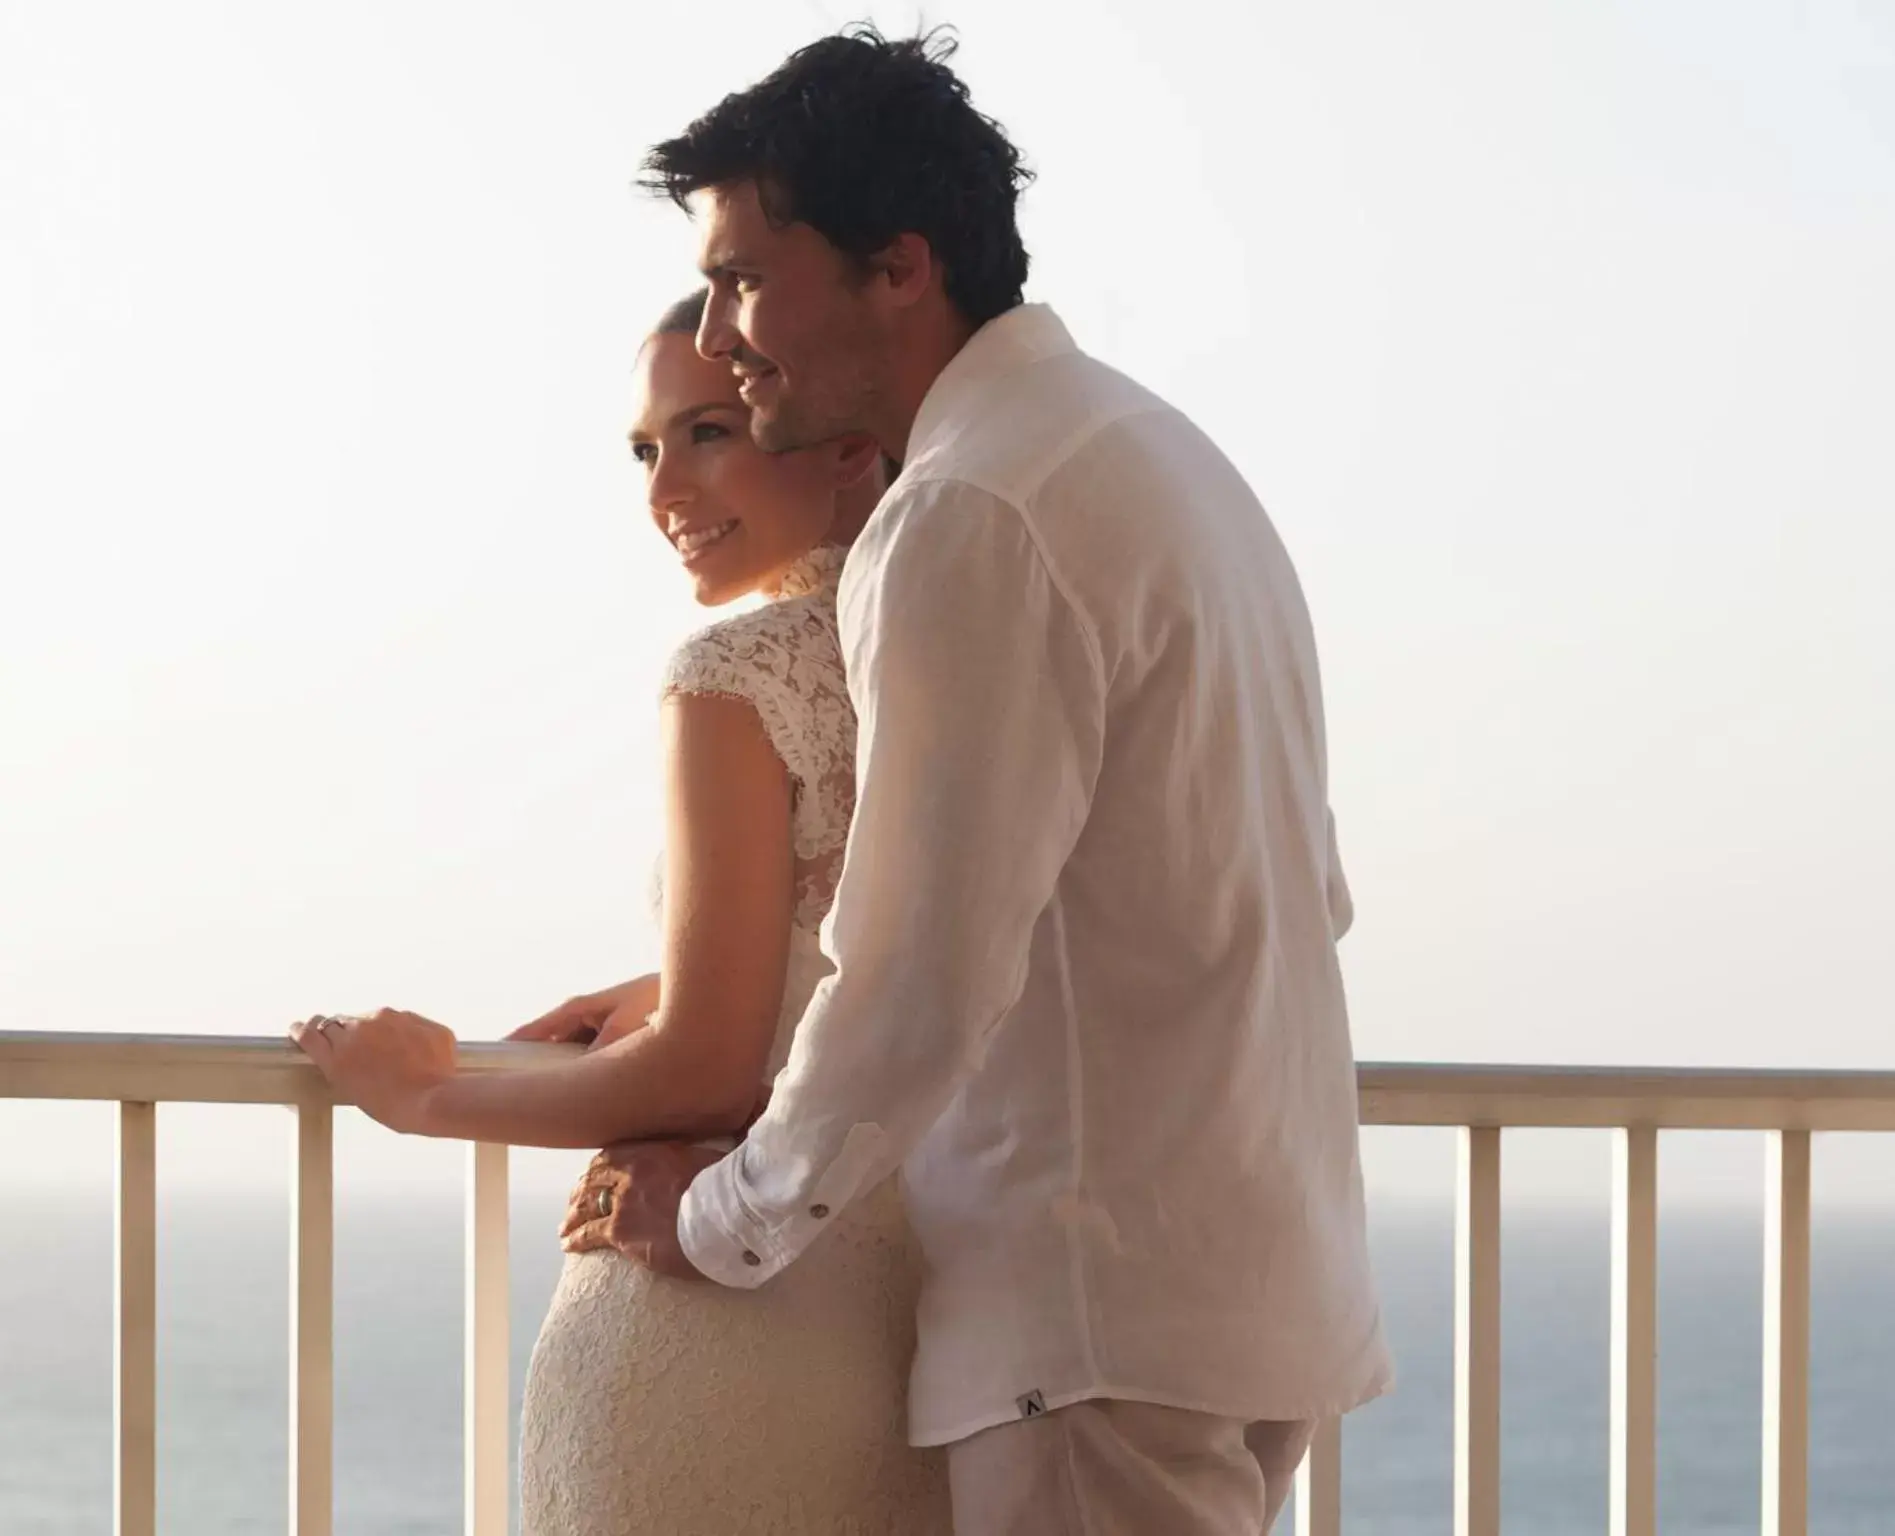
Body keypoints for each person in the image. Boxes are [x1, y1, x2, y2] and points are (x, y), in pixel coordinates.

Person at [561, 26, 1394, 1535]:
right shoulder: (1162, 454)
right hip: (1258, 1289)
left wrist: (724, 1223)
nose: (726, 332)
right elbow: (1297, 888)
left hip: (1095, 1326)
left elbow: (920, 977)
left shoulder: (963, 515)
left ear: (898, 264)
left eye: (749, 275)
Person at [286, 290, 951, 1533]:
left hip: (720, 1320)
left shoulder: (734, 673)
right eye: (645, 450)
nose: (663, 489)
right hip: (934, 1320)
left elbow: (700, 1074)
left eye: (708, 430)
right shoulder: (968, 646)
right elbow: (917, 947)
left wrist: (425, 1096)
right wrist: (684, 977)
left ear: (842, 430)